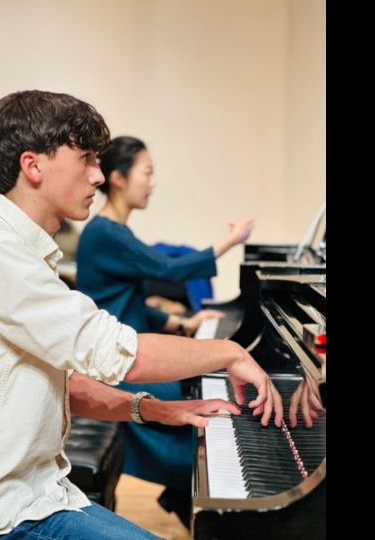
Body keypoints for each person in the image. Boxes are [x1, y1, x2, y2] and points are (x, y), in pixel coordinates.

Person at [0, 90, 283, 540]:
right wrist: (228, 352)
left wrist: (155, 409)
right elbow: (122, 352)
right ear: (33, 167)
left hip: (38, 494)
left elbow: (61, 384)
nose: (98, 174)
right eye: (87, 158)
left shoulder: (13, 250)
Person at [74, 135, 257, 527]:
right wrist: (231, 240)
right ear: (119, 179)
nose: (153, 182)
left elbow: (131, 301)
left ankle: (190, 499)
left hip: (126, 353)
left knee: (200, 396)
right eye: (148, 172)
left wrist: (179, 323)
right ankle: (205, 501)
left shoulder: (112, 230)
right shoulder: (106, 232)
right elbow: (168, 270)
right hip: (114, 366)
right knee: (198, 409)